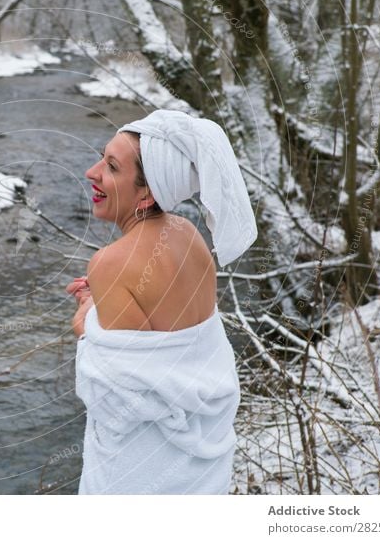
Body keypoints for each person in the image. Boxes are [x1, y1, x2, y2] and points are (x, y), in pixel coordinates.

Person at [66, 109, 257, 494]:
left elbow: (118, 400)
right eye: (103, 157)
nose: (92, 172)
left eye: (112, 167)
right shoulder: (188, 235)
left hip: (142, 474)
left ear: (147, 192)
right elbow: (165, 340)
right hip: (199, 472)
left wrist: (86, 323)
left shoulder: (109, 263)